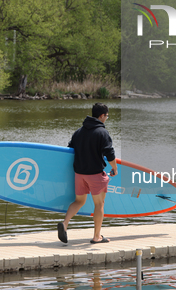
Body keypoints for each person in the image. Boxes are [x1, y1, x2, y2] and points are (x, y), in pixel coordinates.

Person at [58, 102, 118, 244]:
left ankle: (65, 223)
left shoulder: (79, 132)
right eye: (107, 116)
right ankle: (97, 237)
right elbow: (109, 153)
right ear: (102, 116)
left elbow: (70, 150)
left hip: (79, 173)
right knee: (99, 204)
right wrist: (114, 168)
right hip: (95, 174)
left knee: (79, 201)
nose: (106, 119)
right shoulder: (102, 132)